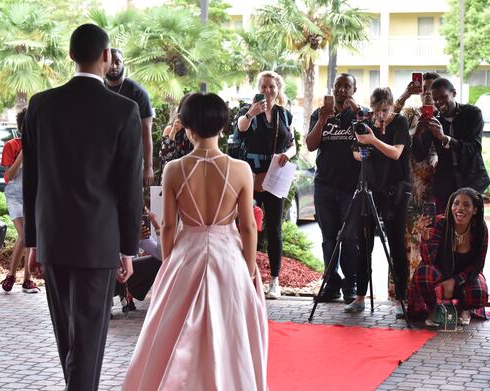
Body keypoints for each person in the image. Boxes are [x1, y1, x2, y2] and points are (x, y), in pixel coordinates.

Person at [23, 24, 142, 391]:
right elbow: (129, 187)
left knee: (68, 340)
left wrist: (32, 240)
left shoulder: (40, 105)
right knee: (88, 340)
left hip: (53, 236)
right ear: (106, 57)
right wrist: (127, 248)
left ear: (71, 56)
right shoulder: (124, 110)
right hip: (98, 239)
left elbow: (32, 179)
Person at [122, 92, 268, 391]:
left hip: (186, 256)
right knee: (231, 334)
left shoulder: (174, 168)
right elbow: (249, 227)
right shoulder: (240, 169)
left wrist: (170, 260)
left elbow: (168, 226)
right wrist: (250, 268)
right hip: (228, 258)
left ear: (187, 127)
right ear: (223, 125)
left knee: (172, 333)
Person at [344, 87, 410, 318]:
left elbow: (396, 153)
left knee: (396, 245)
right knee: (364, 244)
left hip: (394, 191)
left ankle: (404, 298)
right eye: (376, 111)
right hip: (369, 188)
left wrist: (373, 141)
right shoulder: (367, 123)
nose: (380, 115)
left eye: (384, 110)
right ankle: (360, 296)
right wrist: (363, 149)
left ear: (391, 106)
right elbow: (354, 152)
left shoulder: (399, 123)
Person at [237, 70, 296, 299]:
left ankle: (274, 280)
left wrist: (288, 154)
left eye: (271, 86)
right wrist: (252, 112)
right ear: (258, 88)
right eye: (263, 86)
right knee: (247, 224)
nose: (267, 91)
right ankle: (246, 275)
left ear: (278, 89)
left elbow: (292, 143)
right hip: (250, 175)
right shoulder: (247, 111)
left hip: (275, 175)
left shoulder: (284, 115)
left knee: (274, 227)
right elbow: (241, 128)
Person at [307, 73, 363, 304]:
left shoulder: (359, 113)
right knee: (328, 238)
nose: (341, 90)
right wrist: (321, 120)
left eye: (346, 86)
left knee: (349, 238)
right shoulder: (320, 114)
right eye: (338, 86)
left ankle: (351, 284)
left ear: (354, 89)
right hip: (325, 185)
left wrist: (359, 115)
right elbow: (310, 145)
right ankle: (332, 284)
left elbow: (369, 140)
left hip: (351, 187)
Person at [408, 188, 489, 326]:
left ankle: (463, 309)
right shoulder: (440, 223)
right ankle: (434, 308)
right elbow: (428, 261)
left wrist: (454, 280)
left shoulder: (480, 229)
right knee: (424, 273)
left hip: (464, 278)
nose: (459, 208)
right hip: (438, 274)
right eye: (456, 204)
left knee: (479, 291)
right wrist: (425, 239)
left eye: (466, 205)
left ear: (475, 210)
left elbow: (478, 265)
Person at [392, 72, 440, 300]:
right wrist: (406, 93)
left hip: (434, 190)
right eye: (425, 89)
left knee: (428, 244)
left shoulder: (444, 117)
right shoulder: (410, 114)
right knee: (406, 242)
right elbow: (388, 116)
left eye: (433, 89)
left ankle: (426, 297)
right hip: (410, 187)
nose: (428, 94)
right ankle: (406, 296)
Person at [412, 78, 490, 214]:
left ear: (453, 93)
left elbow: (473, 149)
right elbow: (419, 156)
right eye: (436, 99)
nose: (439, 103)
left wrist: (444, 138)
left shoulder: (472, 113)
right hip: (445, 183)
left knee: (472, 226)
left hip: (471, 179)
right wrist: (418, 134)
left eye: (443, 97)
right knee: (445, 226)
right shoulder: (434, 119)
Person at [0, 107, 39, 293]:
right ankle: (12, 275)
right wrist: (22, 155)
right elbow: (9, 175)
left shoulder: (42, 145)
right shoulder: (11, 146)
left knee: (31, 238)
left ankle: (26, 279)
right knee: (25, 236)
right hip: (15, 196)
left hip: (34, 196)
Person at [106, 48, 154, 187]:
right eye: (110, 62)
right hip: (104, 159)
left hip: (131, 159)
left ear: (123, 63)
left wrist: (149, 167)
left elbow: (146, 130)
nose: (114, 66)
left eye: (117, 62)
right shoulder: (99, 88)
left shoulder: (138, 93)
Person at [159, 94, 194, 173]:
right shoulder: (170, 129)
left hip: (192, 173)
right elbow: (165, 156)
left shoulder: (197, 131)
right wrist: (173, 132)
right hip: (172, 173)